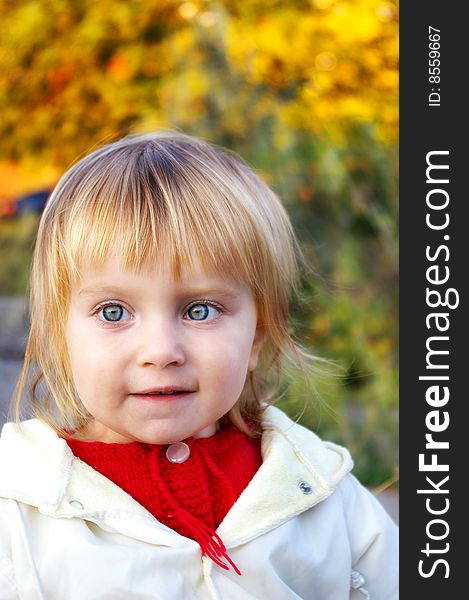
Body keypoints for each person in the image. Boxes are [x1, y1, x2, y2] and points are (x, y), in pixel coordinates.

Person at [0, 131, 398, 599]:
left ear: (258, 337)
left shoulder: (323, 493)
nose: (161, 350)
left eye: (200, 310)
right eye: (114, 312)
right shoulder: (19, 508)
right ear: (60, 339)